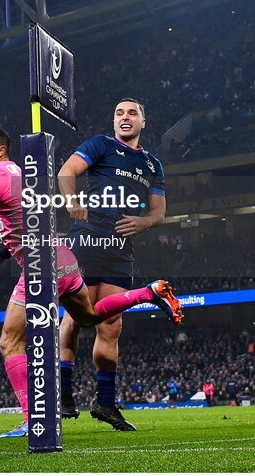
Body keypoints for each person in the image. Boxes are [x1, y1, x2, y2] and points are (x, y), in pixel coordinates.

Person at [0, 126, 183, 438]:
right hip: (63, 258)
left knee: (10, 342)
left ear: (1, 150)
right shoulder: (18, 172)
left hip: (39, 266)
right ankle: (148, 293)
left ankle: (33, 418)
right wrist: (3, 253)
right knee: (90, 316)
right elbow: (28, 215)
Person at [57, 98, 167, 431]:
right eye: (119, 112)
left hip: (121, 248)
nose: (125, 117)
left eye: (132, 112)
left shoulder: (152, 164)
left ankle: (105, 403)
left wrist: (145, 222)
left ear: (143, 122)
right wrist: (72, 203)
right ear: (114, 120)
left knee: (111, 325)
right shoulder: (101, 145)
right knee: (77, 315)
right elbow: (66, 172)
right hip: (89, 238)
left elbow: (159, 211)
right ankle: (63, 396)